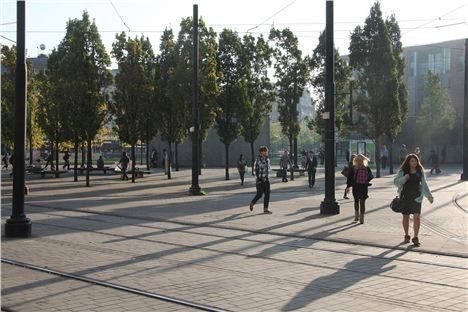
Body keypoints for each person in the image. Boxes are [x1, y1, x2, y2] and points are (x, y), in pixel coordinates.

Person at [394, 154, 433, 246]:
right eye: (412, 161)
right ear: (408, 162)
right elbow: (396, 181)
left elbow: (424, 185)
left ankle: (415, 237)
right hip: (405, 197)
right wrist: (404, 178)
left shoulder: (420, 171)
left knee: (417, 217)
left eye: (415, 160)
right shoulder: (403, 171)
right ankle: (407, 235)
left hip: (417, 197)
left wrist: (429, 196)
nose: (414, 162)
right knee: (406, 217)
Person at [346, 154, 373, 224]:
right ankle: (362, 218)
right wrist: (366, 181)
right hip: (364, 187)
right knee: (362, 202)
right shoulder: (366, 167)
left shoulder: (354, 167)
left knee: (356, 201)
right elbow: (371, 176)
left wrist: (348, 186)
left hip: (356, 186)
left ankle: (356, 215)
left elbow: (349, 178)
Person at [249, 146, 271, 214]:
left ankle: (265, 209)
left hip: (266, 179)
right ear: (262, 152)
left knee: (267, 194)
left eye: (267, 151)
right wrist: (258, 178)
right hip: (260, 180)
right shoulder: (258, 160)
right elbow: (260, 167)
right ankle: (252, 203)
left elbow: (268, 169)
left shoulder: (267, 159)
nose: (267, 152)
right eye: (265, 151)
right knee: (259, 194)